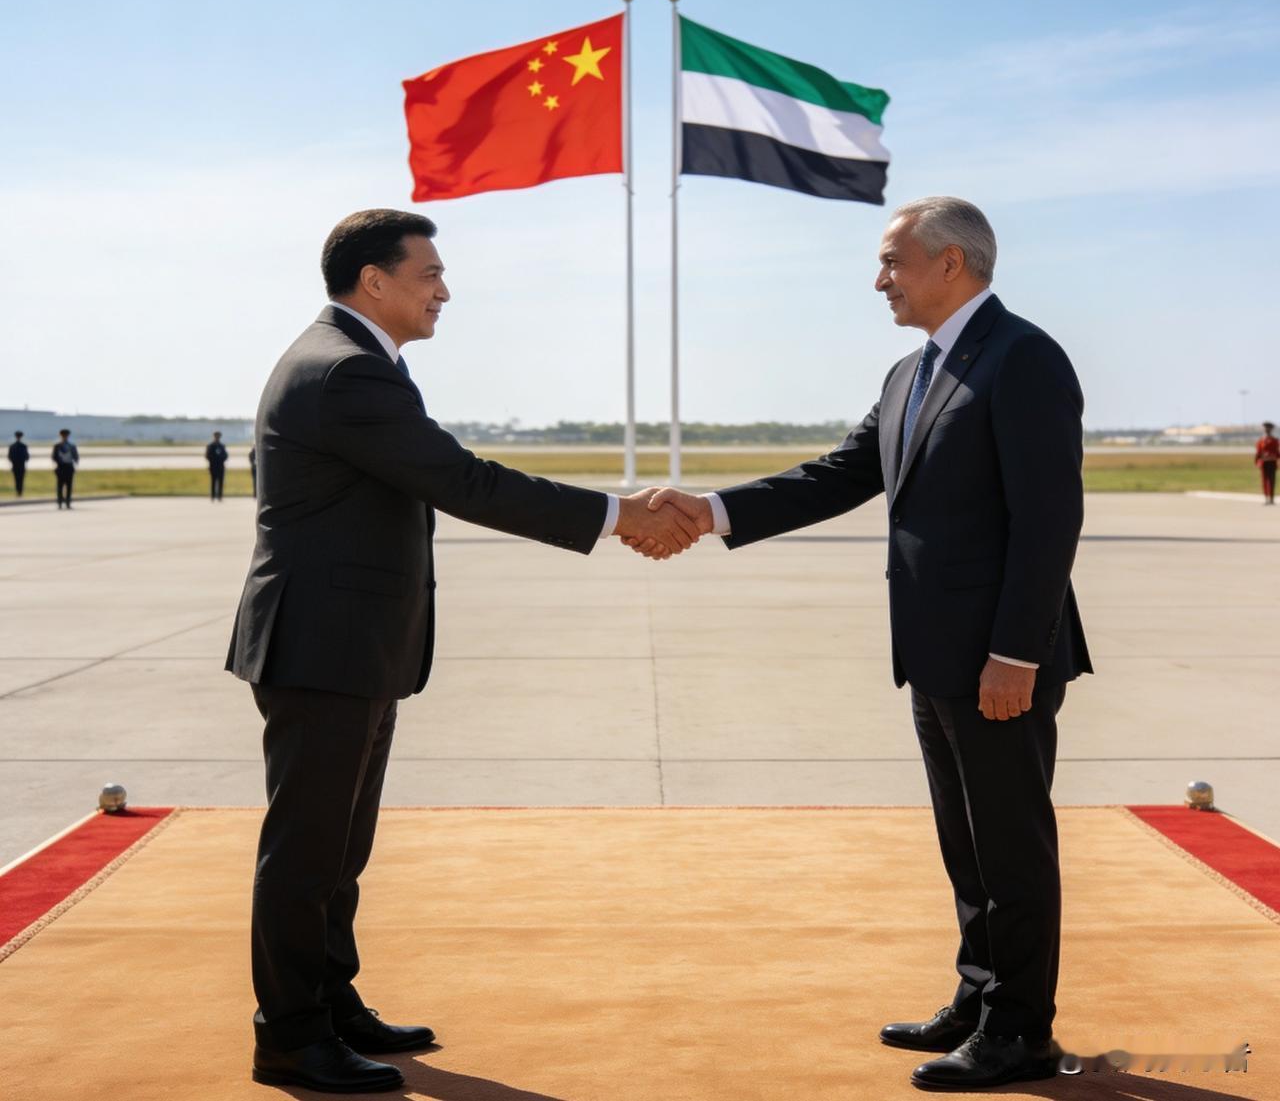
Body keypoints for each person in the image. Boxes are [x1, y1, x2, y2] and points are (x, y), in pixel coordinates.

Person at [225, 208, 698, 1094]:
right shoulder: (345, 370)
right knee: (308, 850)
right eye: (430, 273)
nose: (444, 290)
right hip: (323, 645)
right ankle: (289, 1034)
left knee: (339, 848)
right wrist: (617, 513)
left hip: (349, 644)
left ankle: (329, 1001)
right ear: (374, 281)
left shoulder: (355, 361)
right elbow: (460, 479)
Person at [638, 197, 1091, 1091]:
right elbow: (839, 475)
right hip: (934, 651)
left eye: (893, 261)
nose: (880, 279)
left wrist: (1017, 652)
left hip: (1000, 657)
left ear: (951, 263)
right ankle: (980, 994)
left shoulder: (1023, 357)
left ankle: (1020, 1030)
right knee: (966, 843)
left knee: (1010, 846)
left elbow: (1050, 519)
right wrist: (712, 510)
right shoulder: (909, 372)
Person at [51, 428, 79, 509]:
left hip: (69, 468)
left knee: (69, 486)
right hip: (61, 468)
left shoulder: (72, 446)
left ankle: (68, 502)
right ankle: (60, 502)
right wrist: (59, 462)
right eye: (63, 435)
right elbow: (53, 457)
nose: (64, 437)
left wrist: (74, 461)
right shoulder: (57, 446)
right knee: (59, 486)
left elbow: (76, 456)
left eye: (66, 435)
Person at [1256, 422, 1278, 505]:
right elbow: (1258, 453)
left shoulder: (1275, 440)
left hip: (1272, 462)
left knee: (1272, 480)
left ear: (1271, 429)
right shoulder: (1261, 441)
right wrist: (1257, 462)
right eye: (1266, 428)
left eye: (1269, 428)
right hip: (1264, 463)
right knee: (1264, 481)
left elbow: (1277, 452)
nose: (1267, 430)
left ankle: (1271, 498)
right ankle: (1266, 498)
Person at [206, 430, 228, 501]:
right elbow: (207, 456)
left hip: (220, 466)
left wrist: (220, 459)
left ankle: (220, 496)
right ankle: (213, 496)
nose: (217, 438)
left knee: (221, 481)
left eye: (218, 436)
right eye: (216, 436)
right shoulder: (210, 446)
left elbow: (226, 455)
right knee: (213, 481)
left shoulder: (222, 446)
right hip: (213, 466)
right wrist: (214, 459)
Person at [7, 431, 28, 497]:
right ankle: (20, 492)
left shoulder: (12, 446)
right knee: (20, 480)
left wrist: (14, 461)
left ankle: (18, 492)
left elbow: (9, 457)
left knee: (17, 479)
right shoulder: (23, 446)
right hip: (21, 466)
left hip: (15, 466)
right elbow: (27, 457)